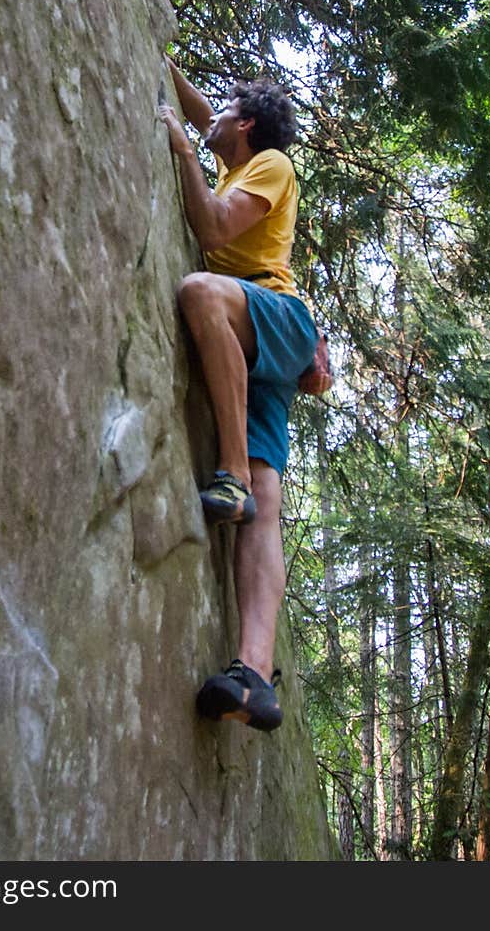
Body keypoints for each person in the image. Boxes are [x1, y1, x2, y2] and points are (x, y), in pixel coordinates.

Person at [157, 54, 318, 733]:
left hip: (273, 321)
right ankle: (254, 675)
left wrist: (180, 152)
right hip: (259, 340)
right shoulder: (242, 161)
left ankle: (228, 473)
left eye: (226, 110)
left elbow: (216, 228)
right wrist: (168, 69)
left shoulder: (272, 166)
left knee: (199, 291)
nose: (208, 119)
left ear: (247, 124)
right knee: (268, 502)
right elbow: (205, 114)